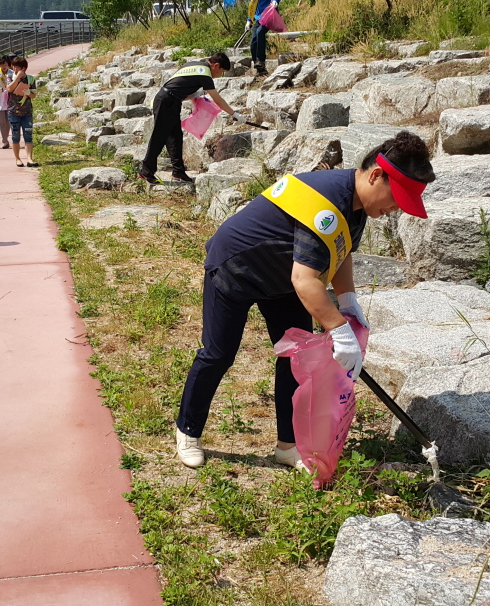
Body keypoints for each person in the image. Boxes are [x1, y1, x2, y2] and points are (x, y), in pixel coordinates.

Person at [174, 131, 436, 470]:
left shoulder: (356, 204)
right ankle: (188, 431)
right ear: (375, 175)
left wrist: (348, 302)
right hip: (235, 269)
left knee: (296, 358)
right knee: (218, 354)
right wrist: (340, 331)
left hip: (282, 280)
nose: (393, 210)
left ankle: (288, 445)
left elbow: (340, 254)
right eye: (395, 198)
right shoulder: (325, 203)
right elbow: (306, 279)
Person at [138, 52, 245, 185]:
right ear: (216, 66)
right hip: (166, 101)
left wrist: (194, 94)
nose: (220, 75)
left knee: (175, 136)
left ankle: (178, 171)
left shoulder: (194, 64)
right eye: (221, 71)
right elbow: (218, 99)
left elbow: (180, 83)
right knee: (159, 136)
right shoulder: (205, 73)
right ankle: (146, 171)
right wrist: (234, 114)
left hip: (170, 100)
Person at [5, 56, 38, 167]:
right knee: (15, 136)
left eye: (18, 67)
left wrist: (29, 92)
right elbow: (9, 89)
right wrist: (17, 78)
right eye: (14, 67)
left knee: (28, 135)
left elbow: (34, 95)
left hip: (27, 111)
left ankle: (29, 158)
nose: (15, 69)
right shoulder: (9, 76)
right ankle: (17, 159)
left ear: (24, 68)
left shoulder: (30, 79)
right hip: (13, 111)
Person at [247, 0, 281, 77]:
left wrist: (275, 0)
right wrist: (249, 20)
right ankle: (259, 68)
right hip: (259, 18)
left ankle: (261, 61)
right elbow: (252, 7)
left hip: (270, 15)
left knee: (260, 32)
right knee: (253, 42)